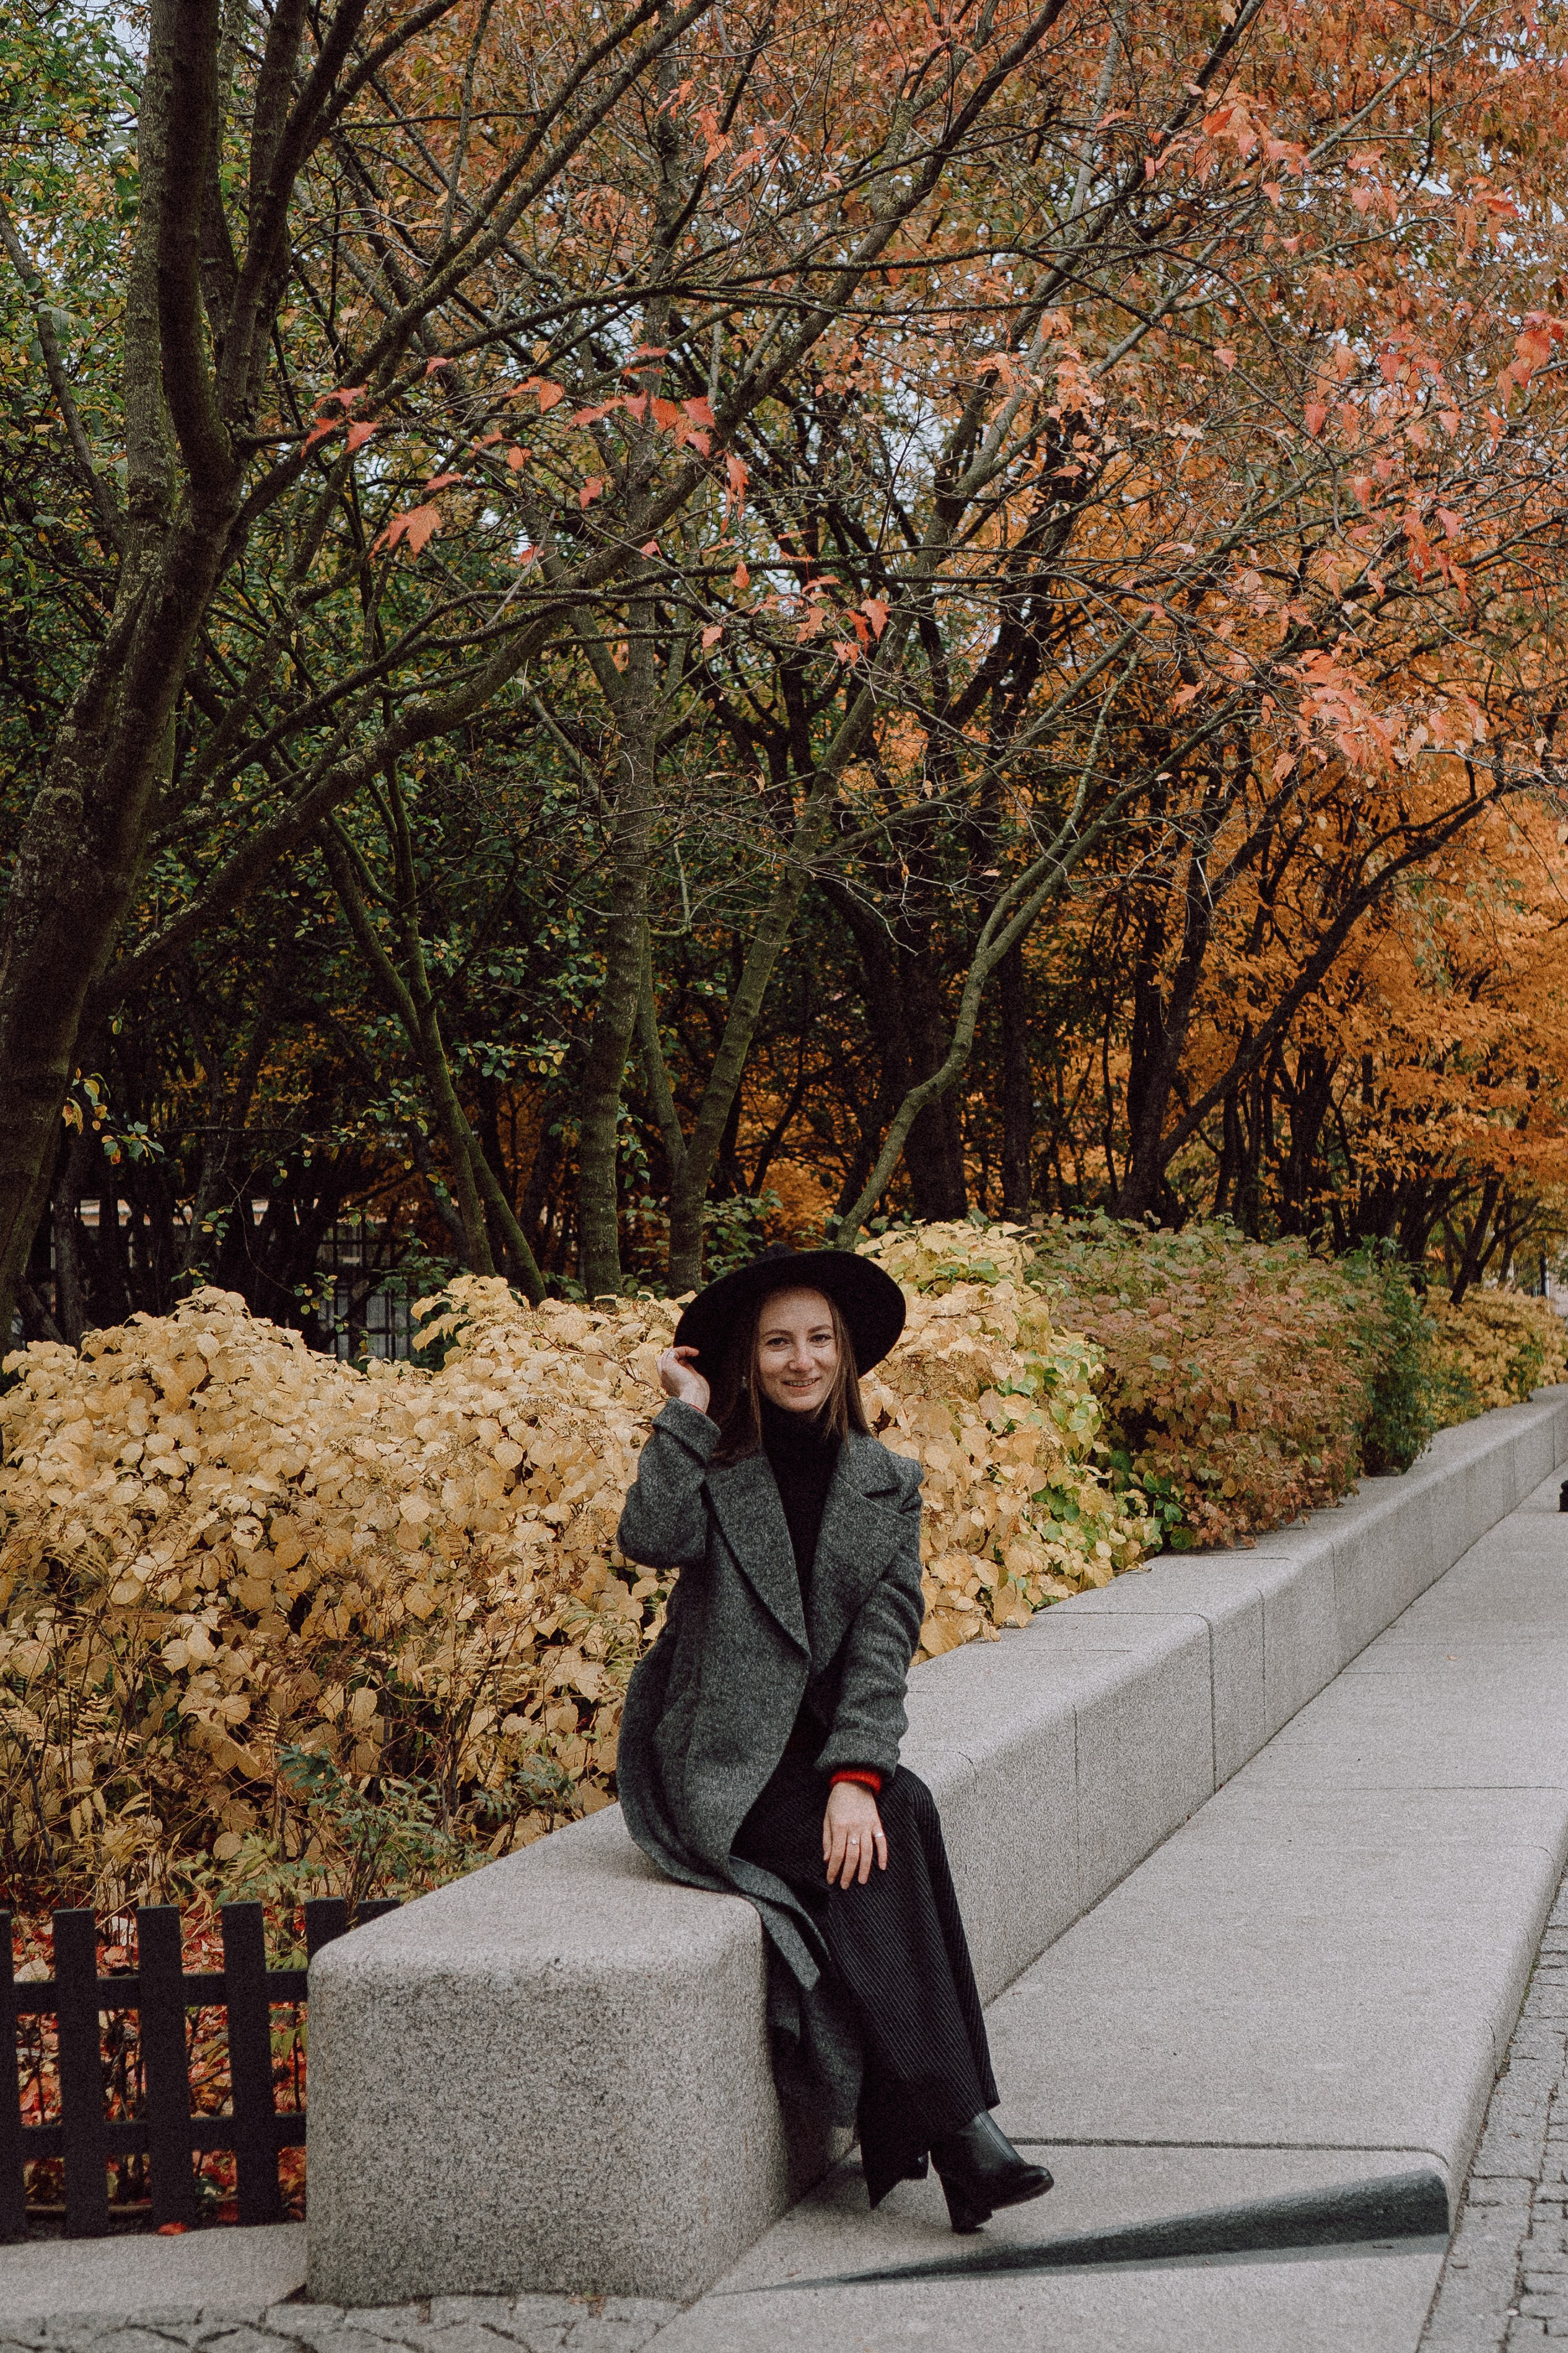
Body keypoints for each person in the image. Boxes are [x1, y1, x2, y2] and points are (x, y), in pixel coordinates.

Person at [615, 1244, 1053, 2234]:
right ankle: (962, 2134)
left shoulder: (886, 1485)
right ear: (749, 1357)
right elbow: (648, 1535)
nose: (801, 1359)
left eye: (818, 1339)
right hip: (720, 1761)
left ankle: (955, 2136)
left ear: (846, 1353)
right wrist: (686, 1405)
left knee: (896, 1803)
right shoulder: (717, 1464)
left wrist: (855, 1770)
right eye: (777, 1342)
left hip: (814, 1759)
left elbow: (883, 1641)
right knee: (887, 1822)